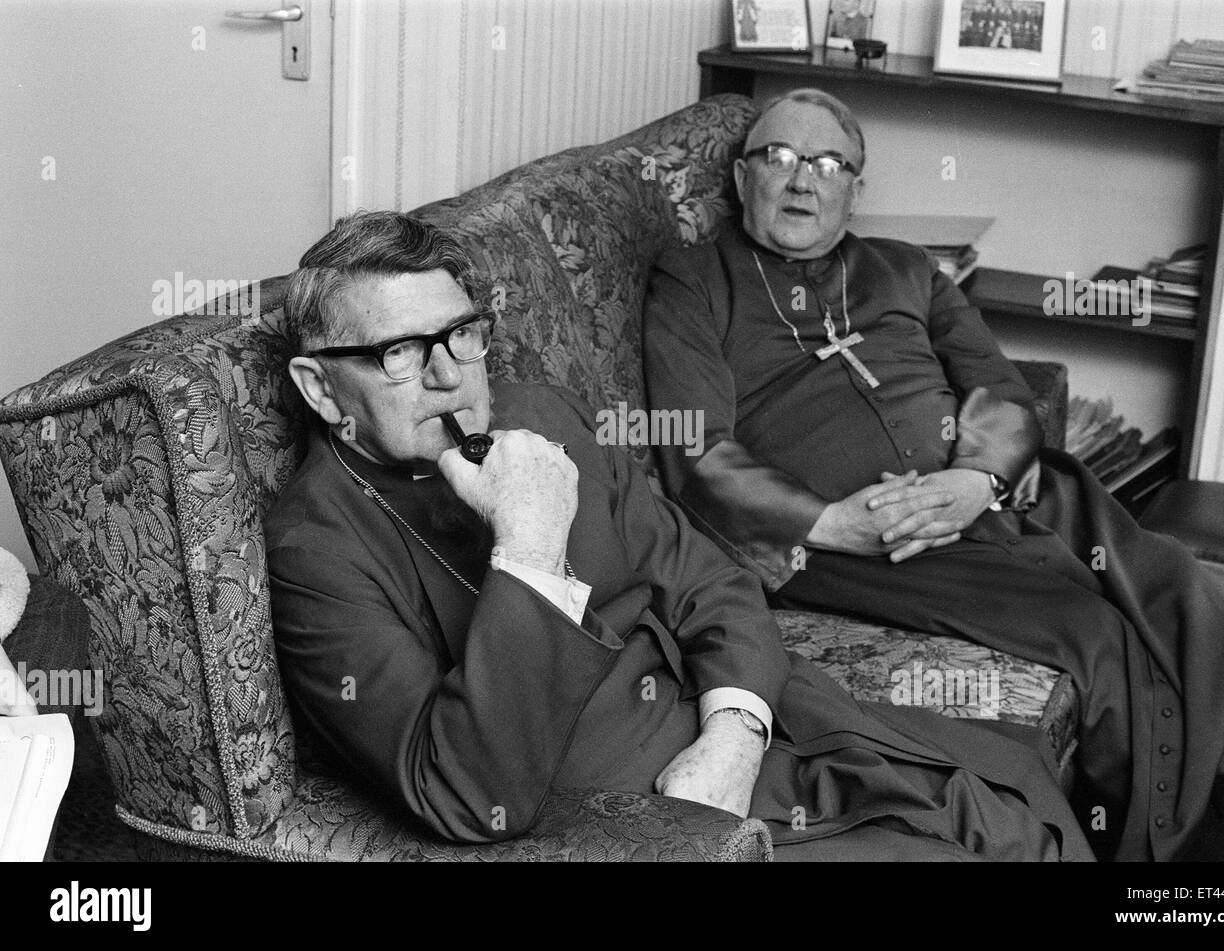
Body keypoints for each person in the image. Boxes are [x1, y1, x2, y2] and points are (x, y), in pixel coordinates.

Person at [264, 209, 1093, 861]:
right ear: (321, 388)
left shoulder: (539, 413)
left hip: (749, 724)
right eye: (402, 352)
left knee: (1017, 806)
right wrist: (529, 549)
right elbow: (468, 793)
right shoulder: (316, 548)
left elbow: (712, 579)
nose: (451, 374)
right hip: (639, 819)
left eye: (462, 335)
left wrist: (736, 728)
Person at [641, 88, 1224, 862]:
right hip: (863, 539)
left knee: (1180, 584)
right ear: (743, 175)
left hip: (997, 492)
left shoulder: (907, 269)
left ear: (857, 187)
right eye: (778, 158)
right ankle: (1186, 857)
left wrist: (977, 479)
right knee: (1094, 631)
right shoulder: (693, 279)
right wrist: (830, 523)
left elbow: (1000, 387)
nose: (800, 181)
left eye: (827, 164)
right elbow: (694, 447)